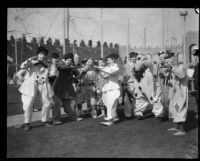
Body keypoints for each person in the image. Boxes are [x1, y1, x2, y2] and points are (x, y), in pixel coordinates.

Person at [16, 46, 54, 131]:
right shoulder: (31, 61)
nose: (42, 56)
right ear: (37, 55)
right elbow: (22, 66)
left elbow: (53, 73)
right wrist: (29, 60)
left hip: (44, 84)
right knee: (28, 103)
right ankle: (27, 123)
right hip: (31, 84)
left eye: (44, 54)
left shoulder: (48, 63)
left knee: (47, 102)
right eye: (41, 54)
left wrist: (53, 64)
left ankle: (45, 120)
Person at [52, 53, 84, 122]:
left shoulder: (72, 66)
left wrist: (83, 72)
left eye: (71, 60)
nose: (69, 61)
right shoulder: (60, 63)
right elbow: (61, 68)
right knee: (56, 103)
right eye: (68, 60)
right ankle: (56, 119)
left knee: (72, 102)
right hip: (58, 86)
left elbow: (78, 77)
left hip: (68, 87)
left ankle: (73, 116)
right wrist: (71, 67)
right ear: (64, 59)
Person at [167, 54, 188, 136]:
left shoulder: (181, 66)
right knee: (174, 108)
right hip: (175, 92)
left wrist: (173, 67)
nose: (170, 62)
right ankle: (176, 127)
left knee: (180, 108)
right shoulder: (175, 67)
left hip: (181, 92)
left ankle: (182, 130)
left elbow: (181, 75)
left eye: (171, 60)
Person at [130, 54, 155, 120]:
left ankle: (157, 111)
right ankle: (138, 112)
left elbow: (148, 82)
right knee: (138, 99)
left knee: (147, 96)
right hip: (138, 86)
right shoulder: (136, 67)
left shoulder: (147, 72)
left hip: (144, 83)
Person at [99, 53, 121, 126]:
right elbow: (103, 75)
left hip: (114, 88)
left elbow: (111, 72)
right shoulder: (108, 67)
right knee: (109, 104)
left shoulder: (116, 66)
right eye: (107, 59)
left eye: (109, 59)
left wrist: (101, 69)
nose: (107, 60)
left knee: (112, 104)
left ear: (113, 60)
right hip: (109, 88)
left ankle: (112, 119)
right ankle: (115, 118)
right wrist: (99, 70)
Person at [48, 52, 63, 125]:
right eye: (55, 59)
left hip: (58, 86)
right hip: (50, 85)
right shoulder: (48, 66)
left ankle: (56, 118)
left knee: (57, 102)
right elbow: (51, 75)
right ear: (51, 59)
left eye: (57, 59)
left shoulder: (59, 66)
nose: (56, 60)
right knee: (49, 103)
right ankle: (48, 119)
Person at [121, 52, 137, 118]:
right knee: (128, 99)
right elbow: (124, 75)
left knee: (136, 98)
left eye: (135, 59)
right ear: (130, 58)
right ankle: (128, 113)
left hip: (136, 83)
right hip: (129, 83)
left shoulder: (137, 65)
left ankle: (135, 112)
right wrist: (124, 83)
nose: (134, 60)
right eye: (133, 59)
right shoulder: (127, 65)